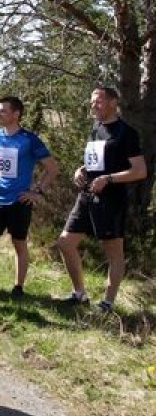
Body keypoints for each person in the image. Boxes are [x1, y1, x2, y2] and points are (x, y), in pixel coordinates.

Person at [58, 87, 146, 313]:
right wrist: (81, 170)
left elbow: (139, 171)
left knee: (113, 252)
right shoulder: (96, 128)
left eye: (98, 101)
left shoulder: (126, 133)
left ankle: (107, 303)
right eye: (92, 101)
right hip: (86, 196)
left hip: (111, 200)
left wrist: (108, 179)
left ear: (113, 102)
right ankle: (79, 295)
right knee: (65, 242)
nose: (93, 105)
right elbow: (97, 161)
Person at [0, 96, 58, 296]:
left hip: (19, 200)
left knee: (19, 243)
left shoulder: (29, 139)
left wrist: (36, 192)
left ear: (16, 114)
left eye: (3, 111)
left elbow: (52, 168)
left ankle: (18, 287)